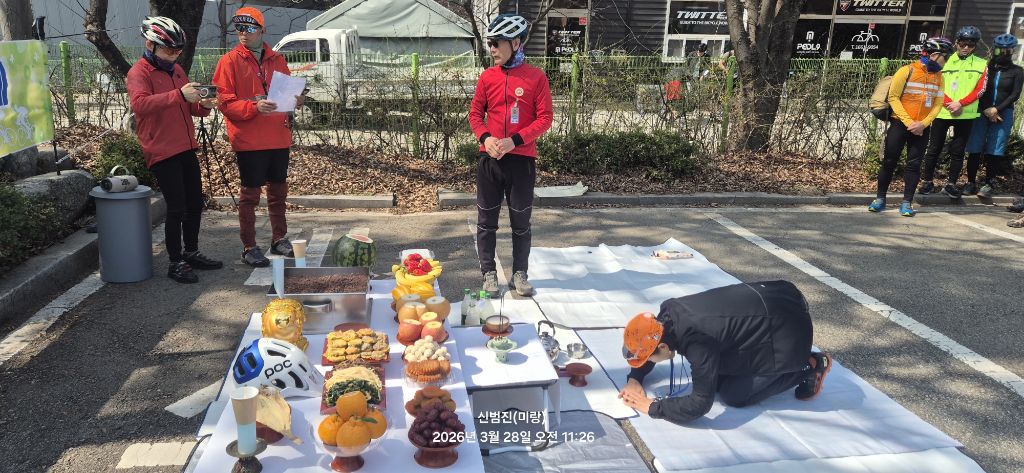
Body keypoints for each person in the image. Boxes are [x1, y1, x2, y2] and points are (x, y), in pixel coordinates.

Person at [618, 281, 832, 425]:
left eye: (649, 359)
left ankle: (810, 364)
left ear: (664, 347)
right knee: (719, 379)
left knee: (735, 395)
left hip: (787, 328)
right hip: (776, 297)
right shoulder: (667, 314)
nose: (649, 361)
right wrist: (636, 378)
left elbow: (700, 403)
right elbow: (650, 342)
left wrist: (654, 407)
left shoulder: (698, 342)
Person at [126, 17, 223, 284]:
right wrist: (179, 95)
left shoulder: (177, 70)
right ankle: (175, 261)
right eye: (169, 49)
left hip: (185, 145)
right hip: (161, 149)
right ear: (150, 45)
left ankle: (191, 252)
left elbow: (190, 107)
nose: (174, 55)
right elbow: (140, 105)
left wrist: (204, 105)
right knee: (177, 208)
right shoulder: (139, 72)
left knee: (195, 204)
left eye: (178, 50)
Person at [469, 14, 553, 298]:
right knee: (486, 222)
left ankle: (520, 273)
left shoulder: (536, 77)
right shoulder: (487, 77)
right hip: (490, 160)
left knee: (521, 222)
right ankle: (488, 273)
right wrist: (486, 138)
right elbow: (474, 115)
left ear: (515, 43)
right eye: (489, 43)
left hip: (521, 161)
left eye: (497, 43)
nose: (492, 48)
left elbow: (544, 119)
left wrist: (514, 140)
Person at [213, 7, 304, 267]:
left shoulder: (277, 59)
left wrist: (297, 100)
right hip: (249, 140)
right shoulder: (228, 61)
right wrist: (254, 107)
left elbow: (286, 94)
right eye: (239, 28)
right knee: (250, 196)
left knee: (278, 192)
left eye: (250, 28)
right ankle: (249, 246)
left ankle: (279, 239)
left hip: (278, 136)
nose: (244, 33)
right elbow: (225, 102)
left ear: (262, 30)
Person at [869, 37, 953, 217]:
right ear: (934, 54)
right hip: (900, 124)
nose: (946, 61)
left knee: (914, 165)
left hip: (922, 128)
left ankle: (907, 202)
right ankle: (880, 199)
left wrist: (923, 123)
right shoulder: (906, 71)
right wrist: (909, 123)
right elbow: (893, 97)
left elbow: (938, 103)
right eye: (945, 57)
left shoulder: (940, 77)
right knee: (889, 162)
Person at [919, 26, 988, 198]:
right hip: (942, 111)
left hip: (965, 114)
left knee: (958, 151)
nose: (966, 48)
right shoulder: (945, 60)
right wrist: (949, 103)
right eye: (963, 44)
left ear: (975, 46)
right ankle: (927, 182)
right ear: (957, 43)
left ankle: (951, 184)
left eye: (971, 45)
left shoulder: (981, 64)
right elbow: (935, 83)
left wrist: (961, 104)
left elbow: (980, 89)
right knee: (934, 148)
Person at [962, 34, 1023, 202]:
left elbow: (1015, 94)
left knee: (995, 149)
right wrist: (987, 109)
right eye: (999, 50)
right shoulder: (986, 68)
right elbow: (977, 89)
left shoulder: (1017, 71)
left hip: (1004, 112)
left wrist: (996, 109)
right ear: (994, 50)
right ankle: (970, 182)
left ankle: (988, 184)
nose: (1002, 54)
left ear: (1012, 51)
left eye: (1007, 51)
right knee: (975, 147)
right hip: (981, 110)